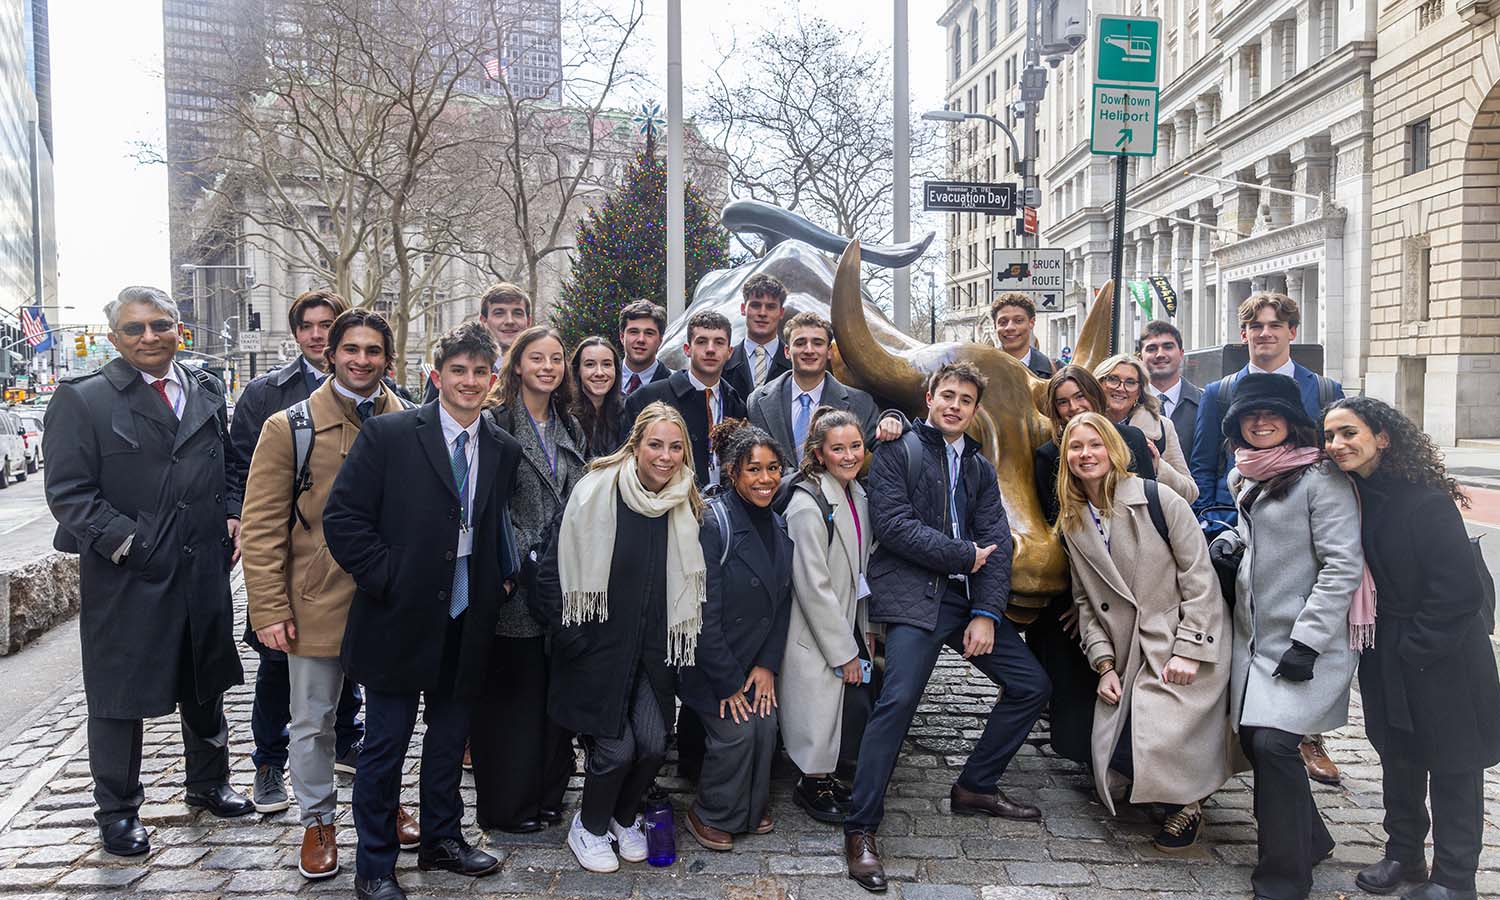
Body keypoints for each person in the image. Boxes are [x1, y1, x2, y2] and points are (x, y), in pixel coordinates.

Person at [43, 286, 253, 858]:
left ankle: (209, 783)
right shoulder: (82, 399)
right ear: (113, 338)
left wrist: (233, 513)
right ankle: (117, 811)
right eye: (134, 329)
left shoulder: (207, 387)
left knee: (205, 679)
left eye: (160, 325)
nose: (149, 337)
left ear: (178, 327)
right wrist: (133, 545)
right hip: (126, 574)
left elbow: (233, 464)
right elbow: (69, 494)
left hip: (203, 566)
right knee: (118, 695)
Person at [323, 322, 522, 900]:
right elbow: (345, 519)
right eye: (457, 371)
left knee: (447, 739)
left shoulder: (502, 449)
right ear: (436, 376)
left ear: (492, 381)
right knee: (384, 748)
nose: (468, 381)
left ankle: (443, 838)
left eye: (480, 372)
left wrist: (497, 587)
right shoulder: (389, 434)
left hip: (466, 614)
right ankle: (375, 864)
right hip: (397, 616)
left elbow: (489, 527)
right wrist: (389, 577)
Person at [844, 362, 1050, 894]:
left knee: (1031, 685)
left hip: (964, 600)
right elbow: (892, 527)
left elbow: (998, 543)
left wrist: (985, 613)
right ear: (929, 398)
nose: (955, 405)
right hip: (914, 597)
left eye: (965, 399)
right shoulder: (897, 450)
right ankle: (861, 827)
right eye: (947, 395)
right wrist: (962, 554)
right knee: (898, 702)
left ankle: (976, 785)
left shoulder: (980, 468)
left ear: (974, 409)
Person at [240, 309, 418, 880]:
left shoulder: (413, 421)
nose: (361, 360)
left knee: (390, 721)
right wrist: (267, 606)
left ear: (388, 358)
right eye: (351, 349)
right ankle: (318, 820)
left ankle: (383, 803)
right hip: (315, 598)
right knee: (313, 721)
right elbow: (263, 525)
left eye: (373, 350)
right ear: (330, 353)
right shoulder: (287, 426)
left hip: (389, 598)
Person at [1324, 398, 1500, 900]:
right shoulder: (1353, 493)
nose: (1337, 445)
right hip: (1388, 649)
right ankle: (1405, 855)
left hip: (1444, 656)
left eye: (1349, 433)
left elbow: (1458, 590)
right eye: (1331, 435)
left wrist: (1417, 647)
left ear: (1383, 437)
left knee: (1452, 767)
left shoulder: (1425, 499)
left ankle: (1454, 879)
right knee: (1398, 758)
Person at [529, 402, 704, 874]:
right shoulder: (595, 492)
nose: (664, 457)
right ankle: (587, 826)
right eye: (655, 445)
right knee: (615, 749)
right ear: (636, 445)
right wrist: (572, 639)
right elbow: (550, 574)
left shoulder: (685, 501)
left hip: (652, 654)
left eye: (675, 447)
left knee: (651, 743)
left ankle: (624, 818)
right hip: (595, 649)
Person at [1053, 412, 1231, 852]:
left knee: (1157, 732)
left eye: (1094, 444)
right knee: (1110, 748)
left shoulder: (1160, 499)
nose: (1085, 454)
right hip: (1127, 654)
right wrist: (1104, 665)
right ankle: (1171, 789)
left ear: (1113, 449)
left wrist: (1190, 650)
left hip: (1180, 638)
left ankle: (1186, 803)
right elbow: (1086, 605)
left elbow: (1199, 578)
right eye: (1075, 447)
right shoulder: (1073, 523)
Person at [1215, 373, 1364, 900]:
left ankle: (1283, 877)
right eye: (1251, 416)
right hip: (1257, 641)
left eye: (1271, 415)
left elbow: (1342, 565)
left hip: (1308, 644)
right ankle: (1312, 837)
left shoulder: (1321, 478)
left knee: (1275, 744)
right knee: (1257, 740)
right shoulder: (1247, 476)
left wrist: (1308, 641)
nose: (1261, 423)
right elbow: (1262, 538)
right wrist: (1230, 544)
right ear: (1237, 426)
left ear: (1291, 422)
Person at [1189, 292, 1346, 787]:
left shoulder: (1321, 388)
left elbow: (1335, 461)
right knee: (1247, 644)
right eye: (1256, 326)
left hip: (1302, 527)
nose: (1266, 334)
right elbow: (1206, 464)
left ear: (1292, 332)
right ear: (1244, 335)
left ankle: (1308, 735)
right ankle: (1251, 732)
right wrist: (1219, 524)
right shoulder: (1219, 391)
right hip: (1240, 530)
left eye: (1276, 325)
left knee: (1296, 637)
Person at [226, 288, 364, 813]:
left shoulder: (397, 405)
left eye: (328, 324)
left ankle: (365, 772)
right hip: (302, 575)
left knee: (364, 699)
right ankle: (270, 763)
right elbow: (246, 476)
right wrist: (267, 600)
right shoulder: (270, 398)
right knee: (285, 681)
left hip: (367, 585)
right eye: (309, 326)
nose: (319, 334)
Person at [471, 327, 587, 834]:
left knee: (551, 700)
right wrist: (521, 557)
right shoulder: (495, 423)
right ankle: (507, 806)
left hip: (560, 579)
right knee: (511, 703)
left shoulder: (571, 426)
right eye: (536, 358)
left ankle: (546, 795)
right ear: (516, 365)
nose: (547, 366)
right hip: (512, 580)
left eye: (556, 359)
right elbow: (483, 504)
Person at [1029, 365, 1157, 766]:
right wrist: (1077, 600)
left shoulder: (1133, 438)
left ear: (1095, 397)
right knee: (1074, 727)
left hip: (1139, 586)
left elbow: (1152, 519)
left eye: (1079, 398)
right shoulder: (1048, 455)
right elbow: (1058, 532)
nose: (1071, 408)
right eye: (1062, 402)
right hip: (1079, 589)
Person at [679, 420, 794, 851]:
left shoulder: (780, 526)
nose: (766, 479)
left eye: (773, 469)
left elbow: (782, 602)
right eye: (754, 470)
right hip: (711, 665)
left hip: (752, 661)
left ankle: (746, 807)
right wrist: (728, 682)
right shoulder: (714, 523)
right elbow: (702, 613)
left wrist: (767, 665)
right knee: (739, 731)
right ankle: (710, 812)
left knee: (766, 726)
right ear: (732, 472)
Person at [779, 408, 875, 824]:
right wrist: (844, 651)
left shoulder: (855, 493)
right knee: (816, 707)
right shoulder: (807, 504)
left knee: (840, 707)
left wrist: (865, 630)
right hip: (815, 625)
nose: (850, 455)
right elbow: (813, 585)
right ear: (819, 454)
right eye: (838, 448)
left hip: (848, 612)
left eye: (855, 445)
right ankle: (811, 784)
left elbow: (860, 570)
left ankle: (826, 775)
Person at [623, 310, 747, 489]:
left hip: (722, 507)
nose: (710, 349)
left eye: (719, 342)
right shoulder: (646, 399)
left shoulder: (736, 404)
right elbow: (627, 464)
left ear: (729, 352)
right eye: (702, 342)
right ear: (687, 350)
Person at [747, 311, 879, 462]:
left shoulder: (860, 403)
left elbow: (885, 444)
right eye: (800, 343)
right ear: (787, 351)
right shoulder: (757, 402)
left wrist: (894, 418)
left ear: (829, 352)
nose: (809, 350)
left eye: (817, 343)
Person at [1093, 353, 1198, 504]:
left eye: (1130, 382)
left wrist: (1157, 467)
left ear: (1139, 391)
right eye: (1113, 379)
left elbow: (1190, 493)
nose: (1121, 388)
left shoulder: (1162, 427)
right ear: (1099, 383)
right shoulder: (1082, 426)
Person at [421, 283, 533, 403]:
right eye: (499, 313)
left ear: (528, 321)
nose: (509, 321)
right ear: (483, 321)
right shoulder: (448, 368)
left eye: (517, 313)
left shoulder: (540, 370)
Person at [1137, 320, 1201, 462]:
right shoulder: (1129, 404)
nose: (1160, 354)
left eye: (1168, 347)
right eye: (1152, 348)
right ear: (1140, 358)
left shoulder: (1204, 403)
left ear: (1181, 353)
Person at [722, 273, 791, 401]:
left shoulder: (794, 364)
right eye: (755, 305)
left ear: (781, 313)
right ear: (743, 309)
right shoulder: (723, 362)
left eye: (770, 307)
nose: (762, 313)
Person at [569, 336, 625, 459]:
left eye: (606, 364)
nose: (599, 373)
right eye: (590, 364)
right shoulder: (565, 414)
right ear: (577, 370)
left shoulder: (627, 411)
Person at [990, 292, 1055, 378]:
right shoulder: (979, 371)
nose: (1010, 327)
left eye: (1018, 321)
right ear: (995, 325)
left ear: (1031, 322)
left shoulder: (1055, 371)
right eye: (1003, 322)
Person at [618, 300, 674, 396]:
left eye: (649, 333)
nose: (641, 340)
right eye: (634, 332)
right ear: (622, 337)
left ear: (660, 339)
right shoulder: (604, 380)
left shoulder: (675, 385)